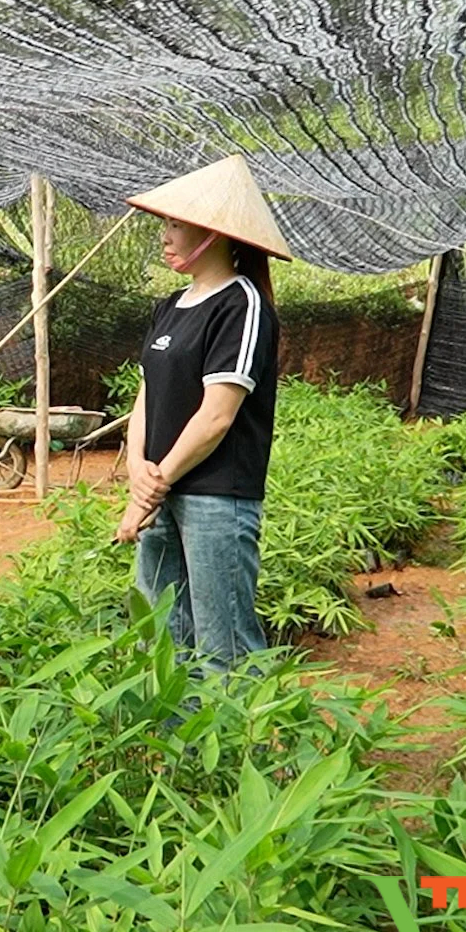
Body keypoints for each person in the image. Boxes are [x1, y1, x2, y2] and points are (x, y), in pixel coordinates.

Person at [112, 154, 293, 674]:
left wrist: (156, 483)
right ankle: (179, 753)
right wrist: (137, 476)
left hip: (215, 496)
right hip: (162, 491)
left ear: (213, 233)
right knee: (160, 636)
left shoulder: (242, 304)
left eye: (176, 224)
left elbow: (216, 418)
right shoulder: (167, 307)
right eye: (165, 223)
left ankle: (246, 753)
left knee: (224, 646)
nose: (165, 236)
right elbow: (145, 398)